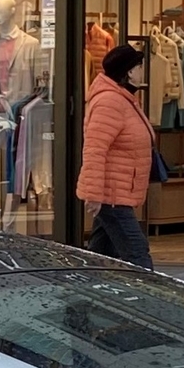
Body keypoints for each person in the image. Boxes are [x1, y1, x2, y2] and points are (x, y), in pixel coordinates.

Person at [79, 42, 155, 269]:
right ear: (130, 71)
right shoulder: (110, 102)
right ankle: (150, 300)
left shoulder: (124, 99)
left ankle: (85, 294)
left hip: (116, 192)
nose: (143, 70)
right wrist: (94, 194)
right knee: (137, 254)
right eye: (140, 66)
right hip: (112, 195)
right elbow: (94, 148)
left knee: (100, 256)